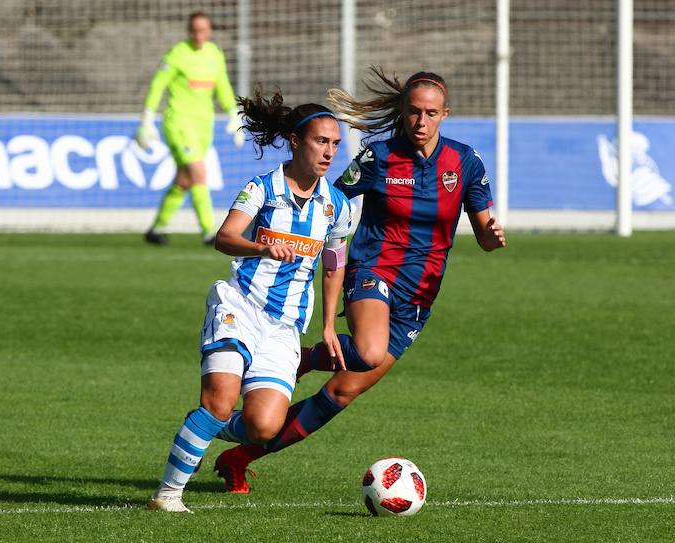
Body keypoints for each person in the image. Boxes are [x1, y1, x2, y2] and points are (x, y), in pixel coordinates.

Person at [212, 68, 506, 493]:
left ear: (446, 114)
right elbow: (329, 202)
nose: (421, 122)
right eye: (413, 112)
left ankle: (240, 453)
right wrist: (293, 242)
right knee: (368, 351)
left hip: (420, 295)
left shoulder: (465, 162)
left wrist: (492, 236)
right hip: (372, 272)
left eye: (430, 114)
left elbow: (484, 235)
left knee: (341, 394)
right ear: (403, 113)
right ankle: (304, 358)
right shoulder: (379, 157)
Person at [147, 87, 354, 513]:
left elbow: (334, 263)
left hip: (284, 327)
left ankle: (207, 428)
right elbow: (225, 237)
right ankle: (167, 495)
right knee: (220, 400)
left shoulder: (336, 207)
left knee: (263, 427)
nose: (329, 151)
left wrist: (330, 325)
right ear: (296, 141)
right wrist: (260, 248)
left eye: (335, 143)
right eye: (321, 141)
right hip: (238, 307)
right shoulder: (262, 189)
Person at [135, 11, 244, 246]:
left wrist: (234, 114)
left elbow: (222, 86)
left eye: (203, 29)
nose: (199, 34)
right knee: (198, 172)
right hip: (179, 123)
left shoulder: (215, 54)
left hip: (204, 125)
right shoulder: (178, 54)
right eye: (195, 30)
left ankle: (156, 228)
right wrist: (147, 118)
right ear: (189, 30)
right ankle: (209, 231)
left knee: (185, 180)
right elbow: (157, 85)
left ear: (210, 30)